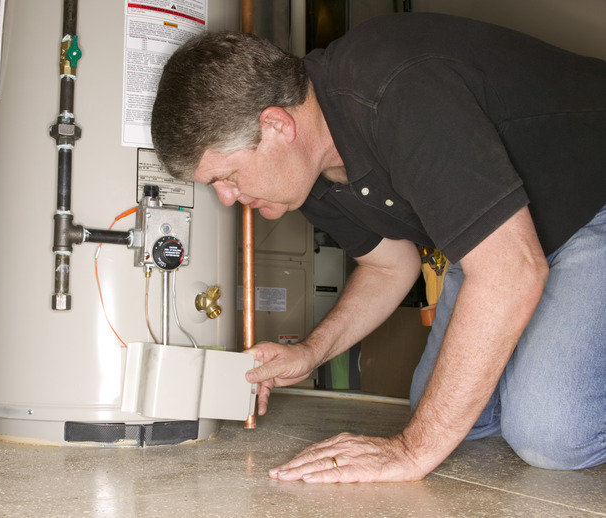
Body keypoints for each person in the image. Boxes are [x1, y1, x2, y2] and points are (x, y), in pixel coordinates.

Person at [151, 13, 606, 483]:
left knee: (552, 435)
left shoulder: (397, 91)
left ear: (276, 126)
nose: (226, 197)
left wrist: (411, 451)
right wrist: (311, 352)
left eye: (225, 177)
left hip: (593, 201)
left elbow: (510, 271)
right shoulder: (309, 174)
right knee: (459, 416)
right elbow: (389, 267)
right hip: (509, 241)